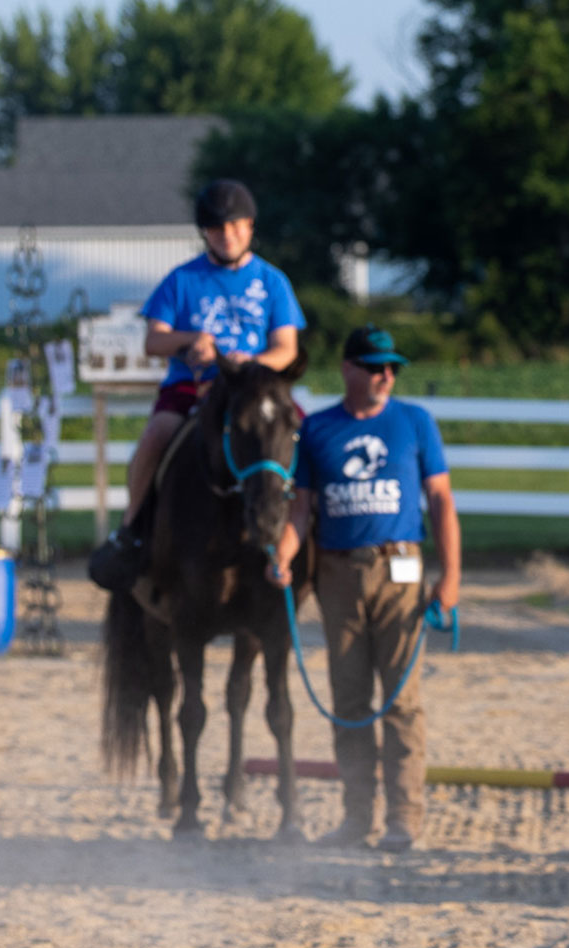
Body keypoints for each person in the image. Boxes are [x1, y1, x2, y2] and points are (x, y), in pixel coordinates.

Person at [271, 326, 460, 852]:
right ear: (348, 368)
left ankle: (403, 819)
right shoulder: (317, 430)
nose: (386, 376)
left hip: (400, 568)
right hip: (337, 574)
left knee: (401, 700)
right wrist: (283, 556)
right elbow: (300, 508)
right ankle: (358, 817)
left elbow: (441, 500)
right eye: (375, 366)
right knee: (350, 700)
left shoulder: (414, 422)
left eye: (392, 367)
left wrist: (451, 574)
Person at [123, 179, 306, 537]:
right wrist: (193, 338)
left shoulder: (273, 281)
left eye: (236, 225)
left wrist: (251, 364)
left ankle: (308, 527)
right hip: (193, 386)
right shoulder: (181, 280)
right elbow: (153, 341)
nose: (228, 234)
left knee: (304, 435)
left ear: (250, 225)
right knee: (156, 436)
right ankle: (133, 525)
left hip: (254, 389)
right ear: (205, 232)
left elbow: (287, 348)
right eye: (217, 227)